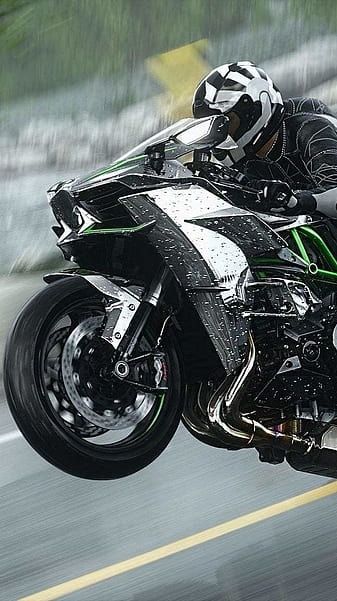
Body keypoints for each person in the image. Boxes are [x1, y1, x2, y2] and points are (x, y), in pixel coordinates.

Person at [192, 61, 337, 218]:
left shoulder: (310, 127)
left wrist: (299, 201)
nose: (220, 134)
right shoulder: (242, 163)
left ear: (254, 109)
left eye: (227, 122)